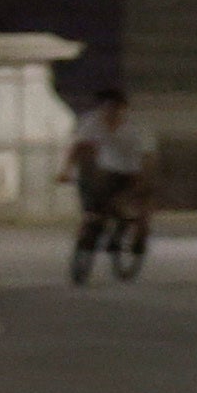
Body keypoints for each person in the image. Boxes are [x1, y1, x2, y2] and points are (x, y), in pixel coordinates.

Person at [67, 86, 157, 272]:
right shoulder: (92, 122)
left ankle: (138, 243)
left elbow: (148, 158)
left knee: (139, 212)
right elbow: (79, 147)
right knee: (95, 209)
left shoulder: (137, 127)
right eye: (106, 108)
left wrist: (142, 181)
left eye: (115, 108)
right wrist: (66, 170)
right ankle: (88, 237)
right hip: (108, 171)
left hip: (134, 172)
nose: (110, 112)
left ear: (123, 109)